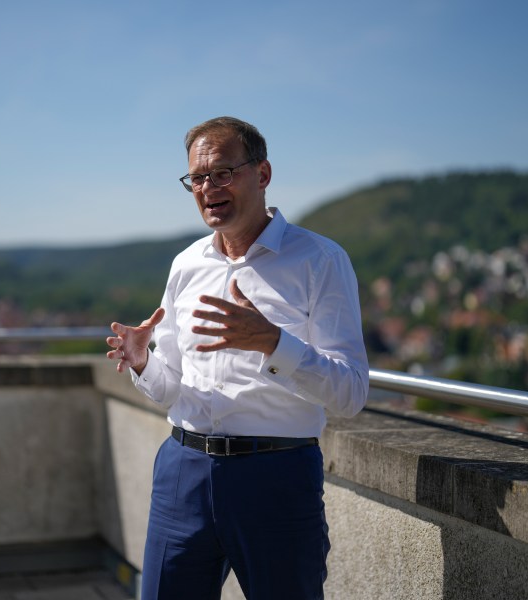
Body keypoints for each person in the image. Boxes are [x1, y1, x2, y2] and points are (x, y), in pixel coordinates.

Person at [105, 116, 369, 600]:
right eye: (198, 178)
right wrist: (143, 360)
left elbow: (351, 393)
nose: (208, 187)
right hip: (182, 470)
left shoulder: (320, 261)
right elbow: (171, 388)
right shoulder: (186, 265)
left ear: (262, 174)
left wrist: (273, 343)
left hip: (276, 476)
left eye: (223, 173)